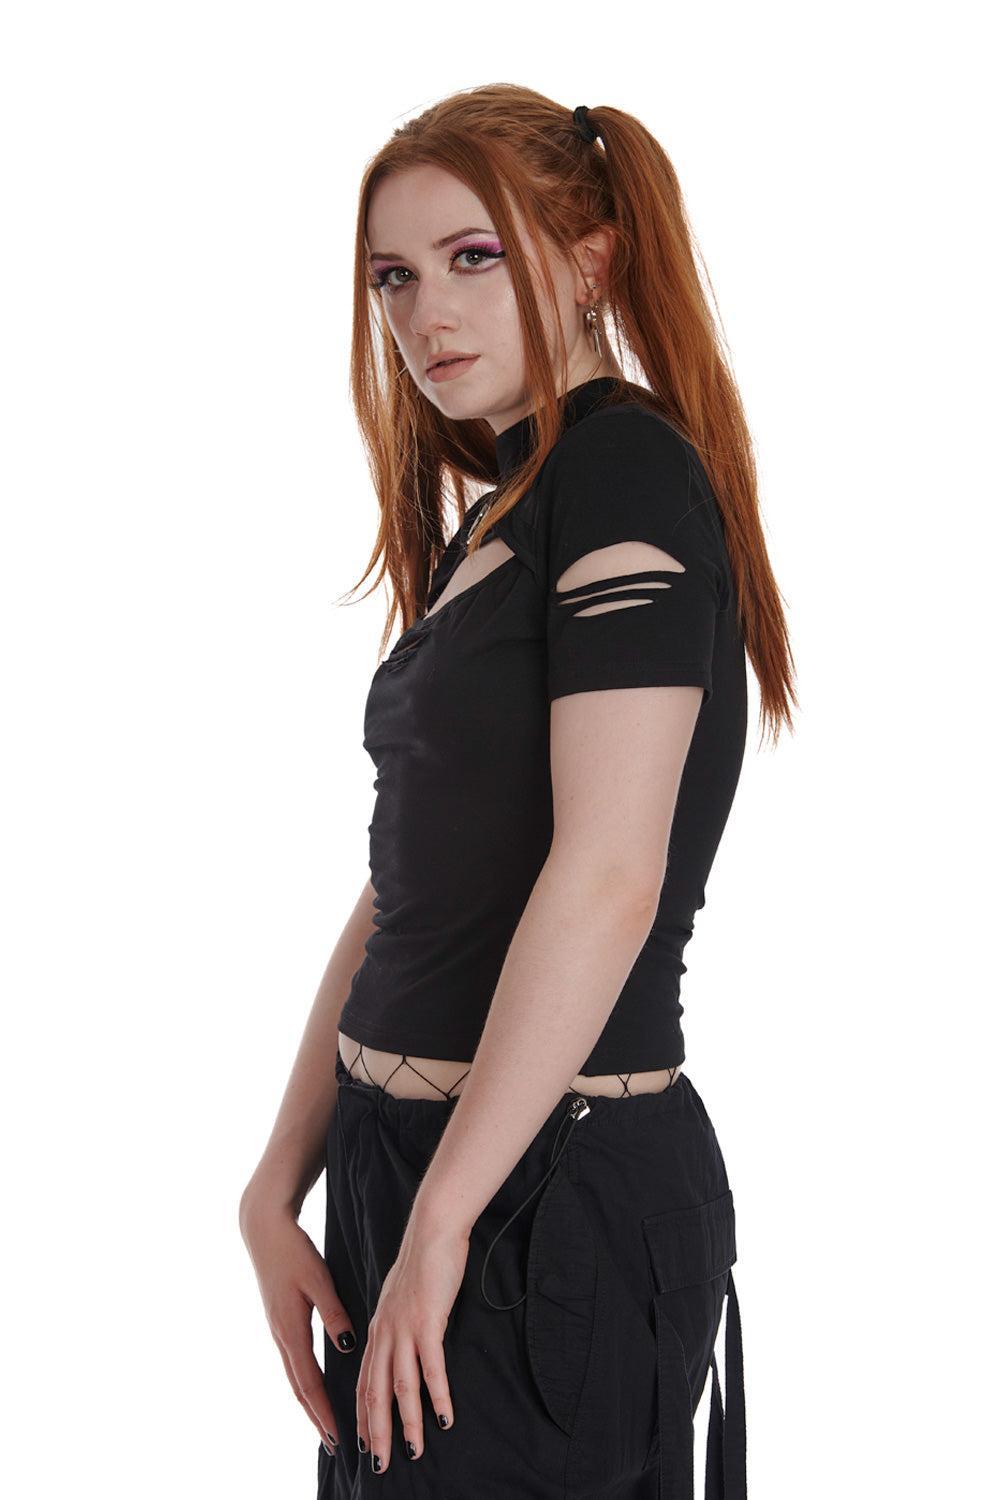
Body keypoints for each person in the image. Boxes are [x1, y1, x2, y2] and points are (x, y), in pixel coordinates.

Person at [239, 84, 796, 1498]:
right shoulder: (503, 506)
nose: (426, 313)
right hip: (416, 1173)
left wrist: (443, 1221)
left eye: (473, 257)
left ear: (590, 261)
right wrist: (278, 1181)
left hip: (543, 1200)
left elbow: (610, 875)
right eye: (393, 276)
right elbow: (408, 888)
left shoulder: (622, 473)